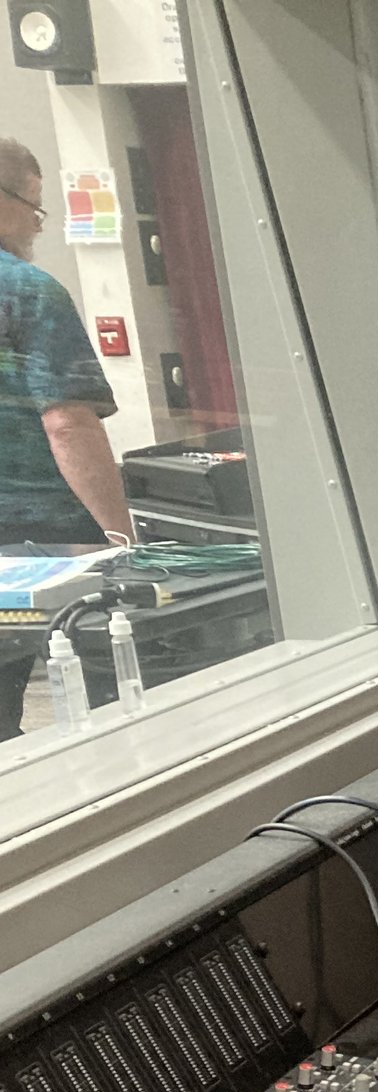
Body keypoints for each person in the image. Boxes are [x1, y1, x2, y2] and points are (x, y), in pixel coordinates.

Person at [0, 135, 130, 739]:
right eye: (34, 205)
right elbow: (69, 424)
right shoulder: (27, 291)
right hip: (33, 541)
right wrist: (121, 540)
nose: (37, 223)